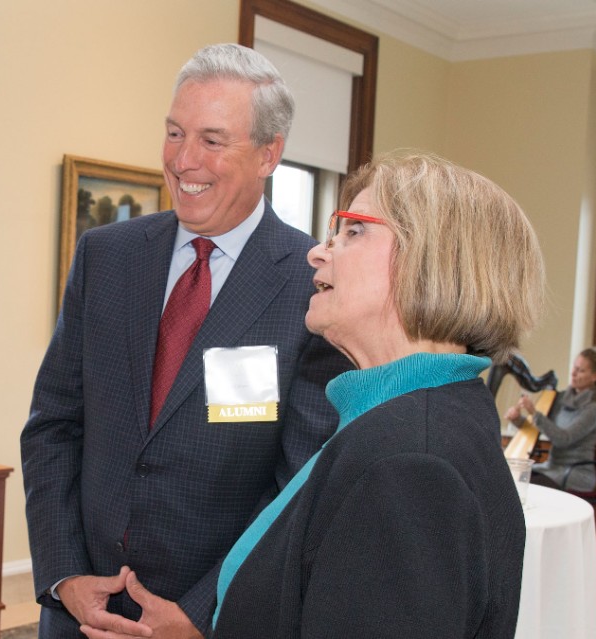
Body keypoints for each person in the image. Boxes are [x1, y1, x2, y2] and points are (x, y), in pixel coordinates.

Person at [21, 43, 350, 638]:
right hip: (79, 614)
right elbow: (53, 427)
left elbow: (296, 484)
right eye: (175, 133)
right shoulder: (107, 256)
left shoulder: (312, 286)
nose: (183, 160)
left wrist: (201, 614)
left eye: (212, 140)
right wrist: (64, 574)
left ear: (269, 154)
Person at [207, 150, 542, 637]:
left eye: (353, 230)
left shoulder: (410, 462)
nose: (317, 252)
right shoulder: (409, 416)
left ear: (430, 259)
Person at [506, 346, 596, 491]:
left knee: (525, 485)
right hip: (551, 468)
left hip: (576, 473)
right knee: (510, 477)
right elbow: (540, 428)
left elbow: (564, 439)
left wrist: (534, 411)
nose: (573, 373)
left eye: (581, 370)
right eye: (574, 368)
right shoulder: (561, 398)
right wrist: (517, 419)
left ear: (595, 376)